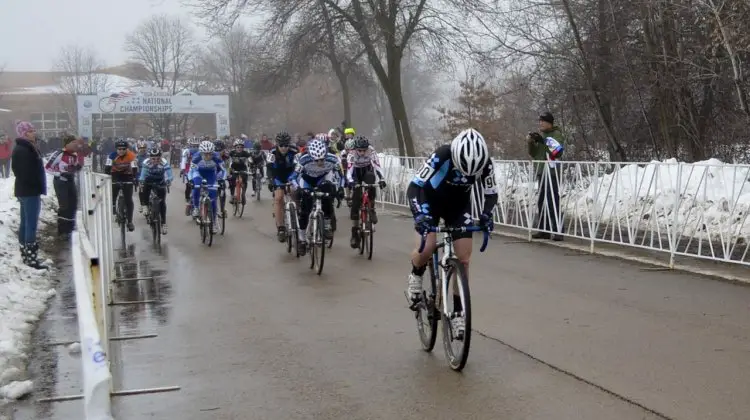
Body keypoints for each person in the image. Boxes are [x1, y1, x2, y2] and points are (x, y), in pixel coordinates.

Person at [405, 128, 497, 334]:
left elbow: (491, 193)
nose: (467, 175)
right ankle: (416, 274)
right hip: (430, 200)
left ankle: (457, 313)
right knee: (427, 246)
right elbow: (414, 187)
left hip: (459, 206)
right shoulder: (443, 154)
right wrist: (420, 215)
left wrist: (486, 214)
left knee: (464, 260)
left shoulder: (485, 163)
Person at [292, 138, 345, 255]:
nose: (320, 162)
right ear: (311, 156)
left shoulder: (333, 159)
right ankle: (301, 240)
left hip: (323, 178)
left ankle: (326, 225)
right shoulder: (304, 160)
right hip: (307, 180)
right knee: (305, 210)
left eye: (322, 159)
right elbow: (293, 177)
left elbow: (341, 176)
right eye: (317, 160)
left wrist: (340, 188)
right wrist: (298, 189)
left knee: (327, 193)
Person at [11, 121, 48, 269]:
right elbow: (25, 173)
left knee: (26, 222)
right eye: (31, 130)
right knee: (30, 224)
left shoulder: (26, 147)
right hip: (29, 191)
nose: (35, 132)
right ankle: (31, 258)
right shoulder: (23, 150)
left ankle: (26, 255)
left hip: (26, 190)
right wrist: (36, 185)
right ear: (25, 133)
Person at [527, 111, 564, 241]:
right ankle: (544, 229)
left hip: (552, 172)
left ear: (549, 123)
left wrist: (542, 141)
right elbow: (534, 153)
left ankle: (558, 230)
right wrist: (531, 142)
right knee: (542, 201)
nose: (540, 123)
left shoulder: (556, 134)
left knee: (553, 200)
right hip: (542, 171)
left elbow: (557, 152)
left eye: (543, 121)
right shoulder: (543, 136)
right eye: (540, 121)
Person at [346, 135, 386, 248]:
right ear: (355, 149)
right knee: (356, 200)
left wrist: (382, 179)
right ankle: (354, 233)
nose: (362, 153)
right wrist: (351, 182)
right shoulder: (351, 154)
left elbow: (377, 166)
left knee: (371, 182)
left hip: (367, 171)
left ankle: (372, 208)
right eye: (360, 150)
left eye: (364, 150)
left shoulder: (372, 151)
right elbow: (349, 171)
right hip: (356, 173)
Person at [45, 134, 84, 237]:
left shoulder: (74, 154)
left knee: (73, 203)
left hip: (70, 180)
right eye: (74, 143)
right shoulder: (59, 153)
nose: (76, 145)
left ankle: (70, 227)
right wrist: (59, 173)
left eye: (77, 143)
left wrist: (77, 167)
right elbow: (47, 167)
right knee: (64, 205)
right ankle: (62, 230)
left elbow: (74, 167)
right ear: (67, 144)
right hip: (60, 181)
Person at [266, 131, 299, 242]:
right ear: (277, 144)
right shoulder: (272, 152)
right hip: (278, 176)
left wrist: (296, 179)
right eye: (281, 145)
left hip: (291, 175)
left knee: (295, 194)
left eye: (286, 145)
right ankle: (281, 227)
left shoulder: (294, 151)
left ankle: (298, 215)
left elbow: (298, 167)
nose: (284, 148)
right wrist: (271, 181)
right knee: (279, 198)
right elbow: (269, 169)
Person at [189, 141, 226, 233]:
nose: (208, 156)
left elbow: (224, 170)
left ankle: (213, 223)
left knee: (213, 199)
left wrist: (222, 180)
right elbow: (191, 171)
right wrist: (190, 180)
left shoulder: (216, 156)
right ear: (201, 153)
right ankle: (196, 208)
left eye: (210, 154)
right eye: (205, 154)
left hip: (210, 174)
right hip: (199, 173)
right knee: (197, 186)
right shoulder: (196, 157)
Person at [104, 139, 139, 232]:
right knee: (113, 193)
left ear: (126, 149)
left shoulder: (131, 155)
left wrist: (135, 178)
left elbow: (134, 168)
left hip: (127, 175)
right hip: (115, 174)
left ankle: (130, 221)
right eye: (119, 149)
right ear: (116, 149)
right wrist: (107, 178)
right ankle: (114, 209)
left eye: (123, 149)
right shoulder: (111, 156)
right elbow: (107, 169)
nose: (121, 151)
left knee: (128, 199)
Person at [139, 148, 173, 235]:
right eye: (153, 158)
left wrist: (169, 180)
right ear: (149, 158)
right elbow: (143, 174)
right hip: (149, 181)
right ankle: (145, 205)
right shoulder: (146, 162)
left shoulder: (164, 162)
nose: (155, 161)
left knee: (162, 203)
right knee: (145, 188)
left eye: (158, 158)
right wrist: (141, 180)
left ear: (160, 157)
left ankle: (163, 223)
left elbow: (169, 174)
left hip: (160, 181)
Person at [227, 139, 251, 205]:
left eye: (241, 147)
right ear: (235, 148)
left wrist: (251, 164)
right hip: (233, 168)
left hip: (243, 168)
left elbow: (250, 160)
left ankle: (243, 194)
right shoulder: (231, 153)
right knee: (231, 180)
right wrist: (229, 169)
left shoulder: (245, 153)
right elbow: (228, 160)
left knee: (245, 179)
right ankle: (232, 196)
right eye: (238, 147)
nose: (239, 149)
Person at [180, 137, 200, 213]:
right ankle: (188, 200)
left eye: (197, 146)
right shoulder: (187, 151)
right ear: (190, 145)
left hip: (199, 169)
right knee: (189, 184)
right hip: (189, 169)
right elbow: (183, 160)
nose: (195, 148)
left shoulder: (202, 151)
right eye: (193, 146)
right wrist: (183, 169)